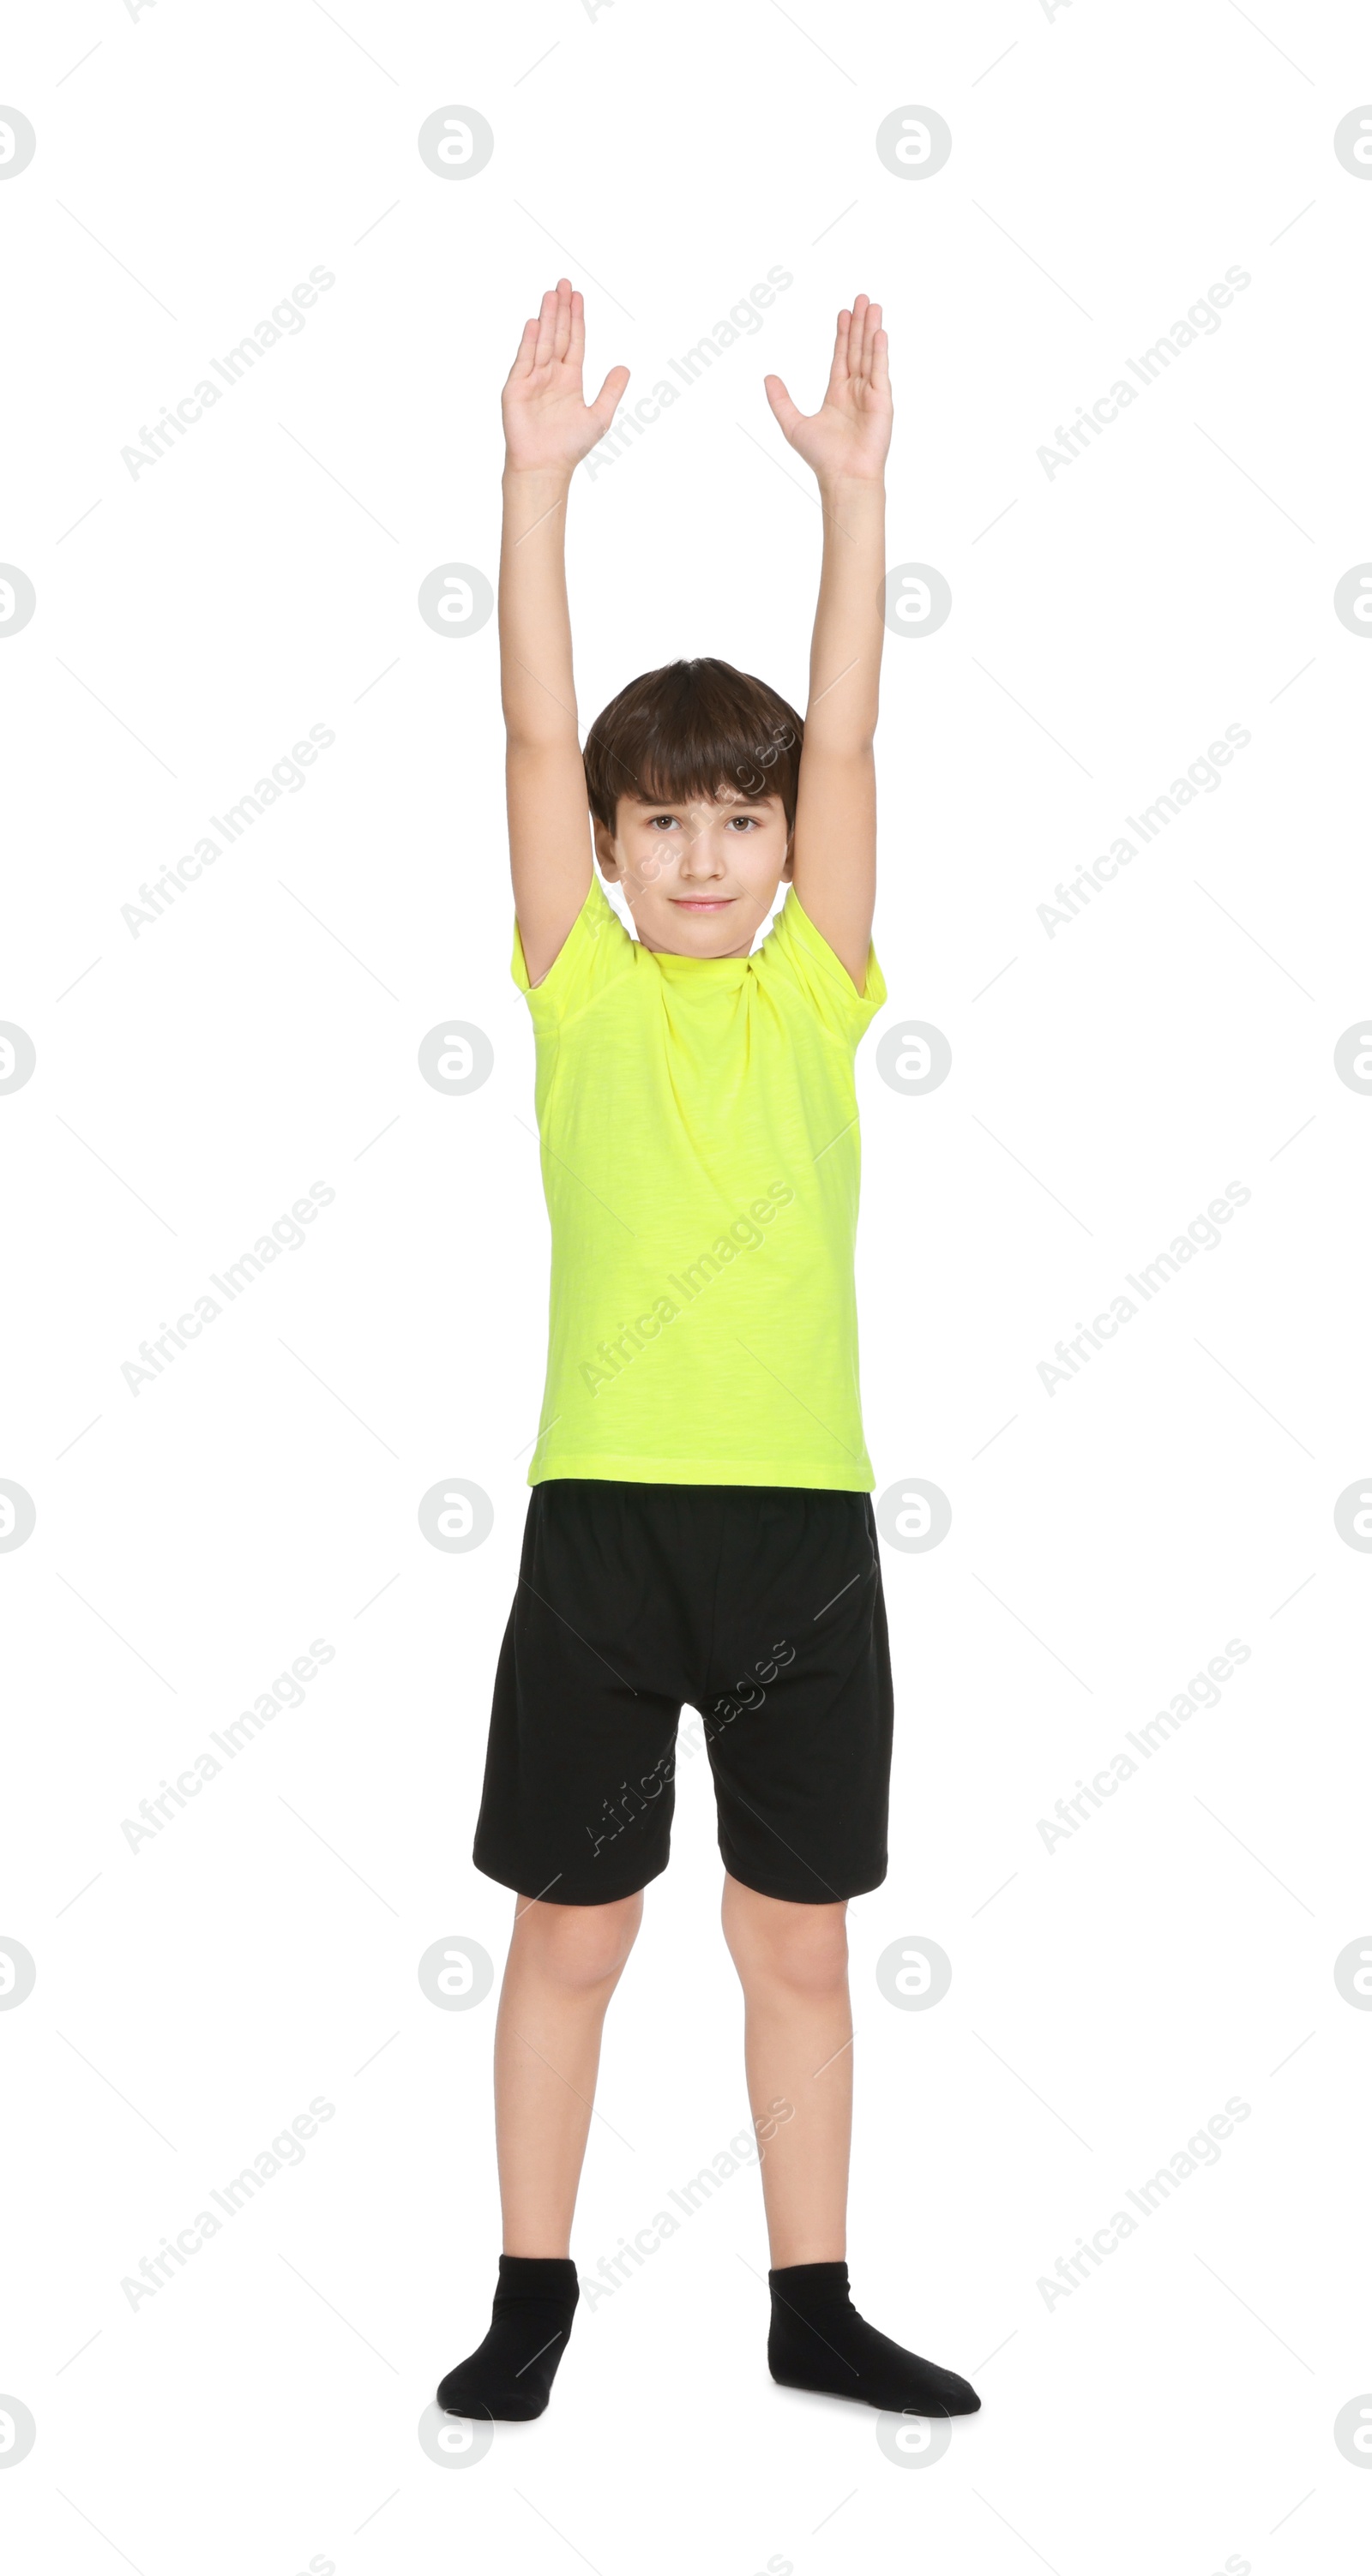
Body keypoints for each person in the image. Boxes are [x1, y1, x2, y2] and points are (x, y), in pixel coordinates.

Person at [436, 279, 980, 2426]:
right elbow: (522, 732)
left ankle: (810, 2298)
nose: (701, 851)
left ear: (778, 850)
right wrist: (532, 485)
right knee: (573, 1934)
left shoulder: (811, 991)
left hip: (798, 1536)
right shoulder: (572, 983)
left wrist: (854, 504)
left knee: (794, 1939)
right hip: (603, 1525)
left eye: (734, 823)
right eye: (659, 820)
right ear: (605, 843)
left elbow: (845, 735)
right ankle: (531, 2290)